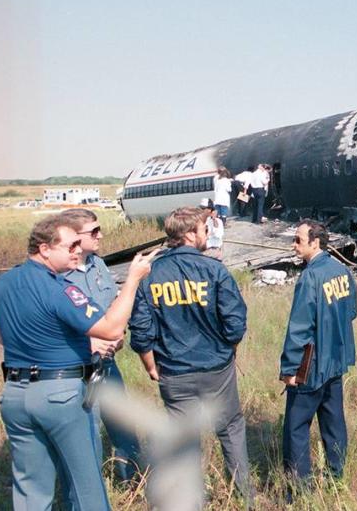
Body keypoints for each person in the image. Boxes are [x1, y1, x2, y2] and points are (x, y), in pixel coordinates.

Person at [0, 214, 156, 511]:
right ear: (44, 249)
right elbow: (111, 329)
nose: (77, 251)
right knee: (86, 487)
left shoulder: (3, 284)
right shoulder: (61, 288)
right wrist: (132, 281)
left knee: (30, 492)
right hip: (60, 393)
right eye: (71, 246)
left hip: (15, 393)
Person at [128, 207, 252, 504]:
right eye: (204, 229)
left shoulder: (151, 274)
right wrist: (227, 353)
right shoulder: (215, 270)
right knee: (231, 429)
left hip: (173, 371)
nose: (208, 234)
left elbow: (141, 330)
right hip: (216, 369)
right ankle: (245, 499)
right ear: (188, 235)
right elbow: (235, 323)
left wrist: (150, 367)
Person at [60, 208, 143, 485]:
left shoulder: (97, 264)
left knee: (123, 425)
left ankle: (130, 483)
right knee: (88, 430)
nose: (100, 235)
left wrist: (116, 336)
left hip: (107, 362)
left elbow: (114, 307)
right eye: (93, 231)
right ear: (73, 236)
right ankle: (90, 491)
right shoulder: (57, 276)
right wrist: (90, 342)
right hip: (76, 367)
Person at [280, 219, 357, 489]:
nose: (294, 245)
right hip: (336, 362)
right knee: (334, 422)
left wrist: (290, 369)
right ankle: (336, 478)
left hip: (311, 367)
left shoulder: (310, 277)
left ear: (315, 242)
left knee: (296, 427)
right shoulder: (341, 271)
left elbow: (299, 329)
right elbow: (351, 312)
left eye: (298, 240)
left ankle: (300, 490)